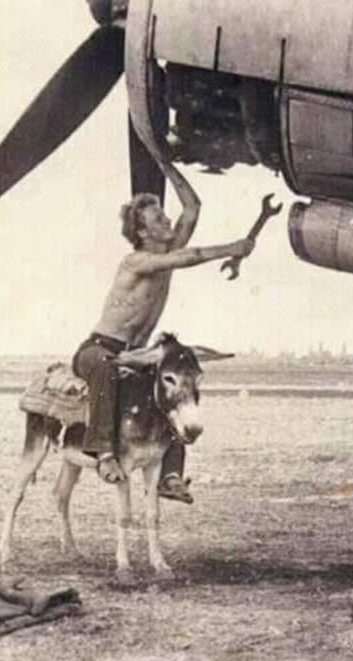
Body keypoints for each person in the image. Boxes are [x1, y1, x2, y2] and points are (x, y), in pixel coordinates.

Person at [71, 160, 254, 502]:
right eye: (158, 219)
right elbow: (187, 257)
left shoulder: (166, 253)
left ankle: (171, 475)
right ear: (143, 233)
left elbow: (192, 207)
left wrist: (162, 160)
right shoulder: (137, 261)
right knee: (106, 368)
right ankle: (104, 453)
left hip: (136, 353)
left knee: (173, 384)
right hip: (99, 348)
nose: (168, 221)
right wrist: (231, 249)